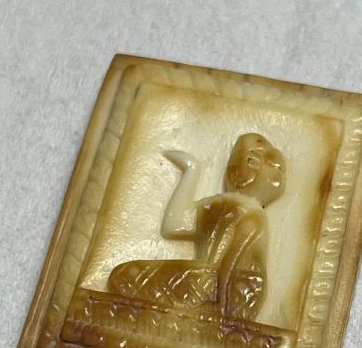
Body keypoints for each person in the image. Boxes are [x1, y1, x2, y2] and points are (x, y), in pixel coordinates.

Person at [108, 133, 286, 320]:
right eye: (242, 157)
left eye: (253, 160)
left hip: (237, 288)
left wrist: (220, 304)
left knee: (129, 278)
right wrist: (191, 170)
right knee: (124, 276)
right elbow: (174, 225)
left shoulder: (252, 214)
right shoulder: (217, 205)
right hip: (210, 280)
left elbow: (231, 260)